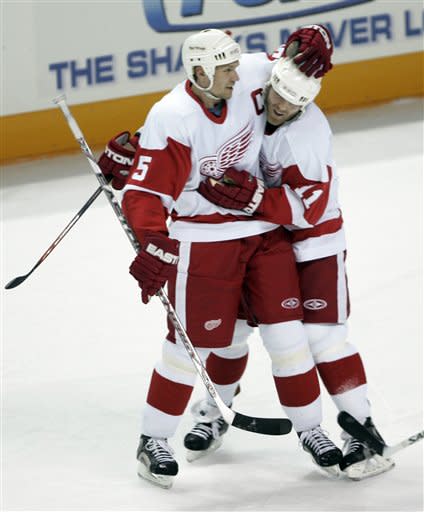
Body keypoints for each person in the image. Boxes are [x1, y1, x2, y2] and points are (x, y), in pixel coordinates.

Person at [97, 27, 336, 488]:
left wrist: (315, 44)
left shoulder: (247, 71)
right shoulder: (172, 115)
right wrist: (152, 238)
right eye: (225, 69)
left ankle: (312, 430)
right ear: (201, 72)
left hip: (263, 230)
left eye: (234, 65)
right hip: (204, 238)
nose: (238, 74)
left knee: (287, 338)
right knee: (192, 347)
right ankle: (154, 438)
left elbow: (293, 63)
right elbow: (146, 192)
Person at [192, 56, 395, 480]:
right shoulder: (254, 87)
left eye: (292, 104)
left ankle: (362, 430)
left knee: (322, 338)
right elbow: (205, 90)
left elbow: (312, 208)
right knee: (231, 333)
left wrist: (253, 202)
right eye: (278, 97)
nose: (281, 108)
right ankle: (214, 411)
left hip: (313, 243)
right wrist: (146, 149)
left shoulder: (307, 138)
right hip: (258, 241)